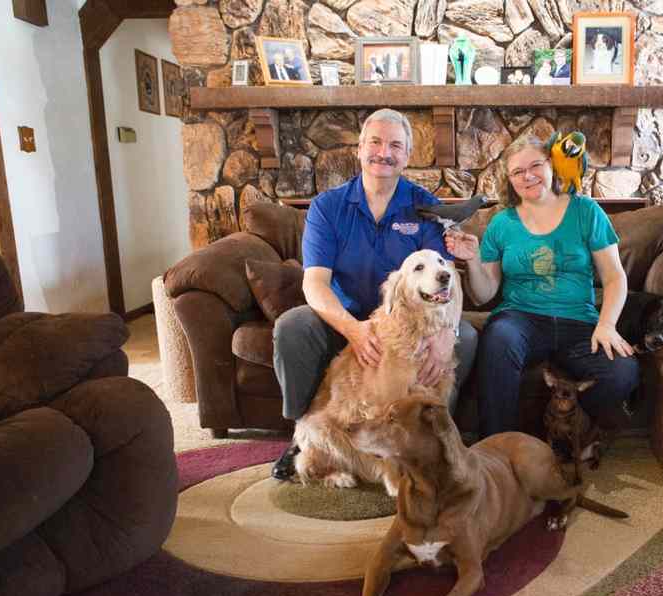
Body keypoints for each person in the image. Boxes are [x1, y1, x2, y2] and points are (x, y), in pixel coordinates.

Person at [271, 108, 479, 479]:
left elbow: (446, 278)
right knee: (292, 327)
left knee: (469, 336)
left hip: (404, 320)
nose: (384, 152)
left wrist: (448, 332)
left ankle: (436, 442)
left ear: (407, 155)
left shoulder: (425, 207)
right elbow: (314, 283)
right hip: (342, 317)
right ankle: (302, 438)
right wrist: (353, 329)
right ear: (360, 148)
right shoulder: (327, 207)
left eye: (395, 145)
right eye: (376, 142)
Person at [444, 136, 639, 439]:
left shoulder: (586, 211)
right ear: (509, 180)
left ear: (552, 165)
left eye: (535, 165)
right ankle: (498, 446)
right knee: (499, 339)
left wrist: (607, 325)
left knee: (623, 372)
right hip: (520, 318)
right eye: (517, 172)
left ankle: (563, 428)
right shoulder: (501, 223)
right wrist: (472, 261)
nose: (528, 176)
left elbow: (614, 277)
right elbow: (484, 295)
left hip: (579, 322)